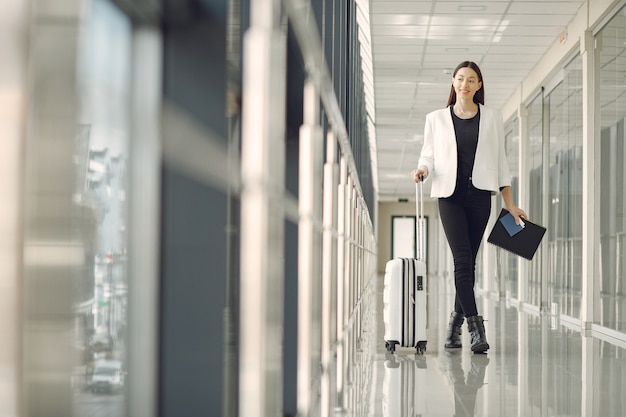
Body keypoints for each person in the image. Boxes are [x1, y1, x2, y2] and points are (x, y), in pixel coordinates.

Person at [411, 61, 526, 353]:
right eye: (460, 79)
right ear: (453, 82)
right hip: (449, 197)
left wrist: (510, 205)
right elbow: (429, 156)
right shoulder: (436, 119)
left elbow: (500, 164)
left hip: (479, 198)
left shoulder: (492, 118)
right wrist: (422, 170)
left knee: (469, 264)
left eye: (471, 80)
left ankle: (454, 327)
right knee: (462, 261)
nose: (465, 84)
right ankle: (476, 327)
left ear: (478, 85)